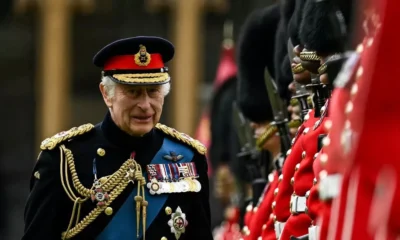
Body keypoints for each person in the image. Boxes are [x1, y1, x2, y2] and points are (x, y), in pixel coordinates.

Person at [22, 36, 212, 240]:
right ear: (106, 94)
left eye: (153, 91)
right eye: (133, 92)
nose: (145, 105)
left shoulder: (188, 157)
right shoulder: (63, 160)